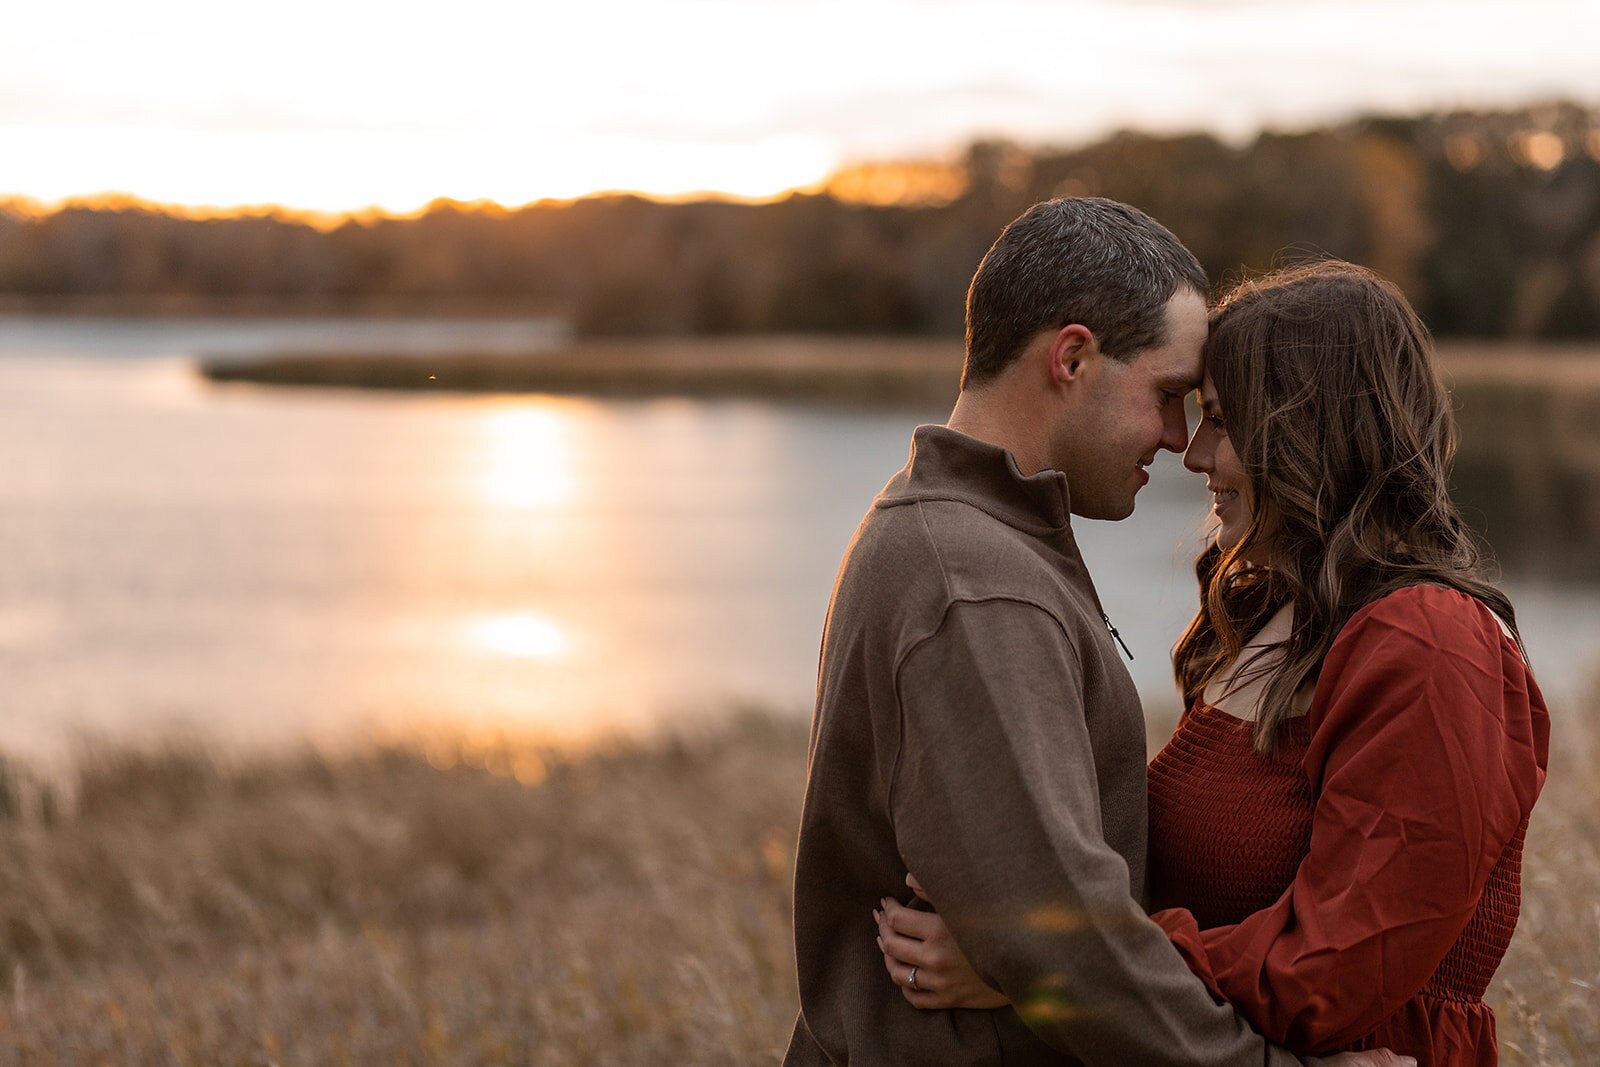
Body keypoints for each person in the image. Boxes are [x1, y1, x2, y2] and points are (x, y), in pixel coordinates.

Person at [875, 261, 1549, 1067]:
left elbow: (1331, 968)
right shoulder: (1273, 616)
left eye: (1223, 422)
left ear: (1311, 431)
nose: (1192, 454)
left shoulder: (1430, 646)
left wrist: (1042, 965)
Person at [786, 198, 1406, 1066]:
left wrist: (1019, 955)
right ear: (1072, 357)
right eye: (1167, 395)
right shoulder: (977, 584)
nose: (1182, 439)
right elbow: (1061, 935)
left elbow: (1030, 928)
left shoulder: (965, 538)